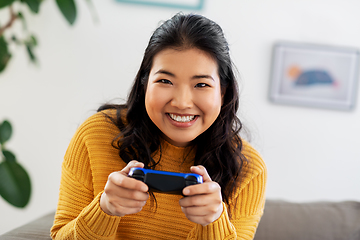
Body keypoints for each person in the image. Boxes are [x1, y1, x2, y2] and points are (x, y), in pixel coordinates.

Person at [50, 13, 266, 240]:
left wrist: (213, 223)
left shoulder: (249, 169)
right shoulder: (95, 135)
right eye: (165, 81)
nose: (182, 102)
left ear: (223, 92)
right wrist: (104, 210)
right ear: (145, 84)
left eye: (201, 84)